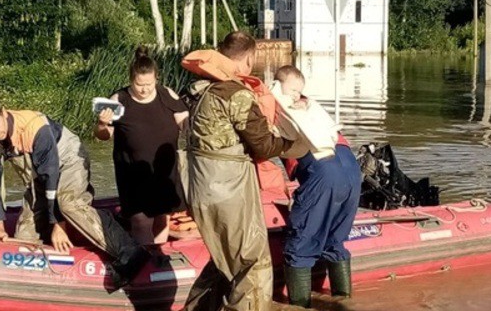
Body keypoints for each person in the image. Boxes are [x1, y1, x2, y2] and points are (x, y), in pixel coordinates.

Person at [0, 96, 149, 288]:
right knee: (23, 238)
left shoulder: (36, 128)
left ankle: (129, 251)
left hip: (68, 160)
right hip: (39, 175)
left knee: (67, 203)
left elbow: (51, 177)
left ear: (3, 112)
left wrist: (59, 225)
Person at [179, 31, 294, 311]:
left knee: (223, 261)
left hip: (198, 189)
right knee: (253, 263)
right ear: (248, 60)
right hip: (228, 190)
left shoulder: (197, 90)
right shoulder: (236, 94)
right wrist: (293, 140)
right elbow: (264, 147)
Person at [274, 65, 362, 308]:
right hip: (351, 169)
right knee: (335, 239)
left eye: (297, 91)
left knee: (300, 244)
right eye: (291, 90)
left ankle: (299, 305)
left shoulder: (275, 107)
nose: (294, 96)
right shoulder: (312, 106)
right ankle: (343, 301)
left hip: (324, 171)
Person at [94, 46, 189, 245]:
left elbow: (185, 122)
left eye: (149, 84)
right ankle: (145, 258)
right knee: (140, 220)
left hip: (164, 169)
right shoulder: (119, 99)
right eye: (139, 84)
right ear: (131, 80)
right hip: (132, 171)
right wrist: (102, 123)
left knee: (162, 217)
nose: (144, 89)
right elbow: (103, 136)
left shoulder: (167, 95)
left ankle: (158, 256)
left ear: (156, 78)